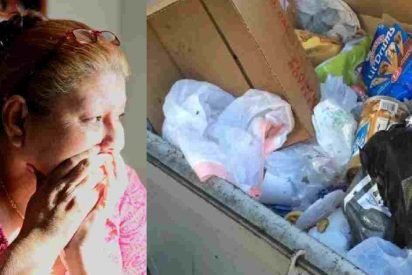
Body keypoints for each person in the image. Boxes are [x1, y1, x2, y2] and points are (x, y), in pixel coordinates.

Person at [0, 10, 146, 274]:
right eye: (94, 118)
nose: (116, 141)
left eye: (119, 117)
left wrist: (86, 252)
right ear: (18, 120)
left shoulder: (122, 194)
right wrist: (43, 238)